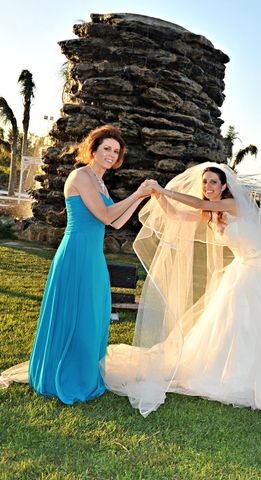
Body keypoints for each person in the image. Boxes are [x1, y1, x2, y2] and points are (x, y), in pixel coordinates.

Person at [103, 164, 261, 417]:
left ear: (224, 186)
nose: (208, 187)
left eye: (213, 182)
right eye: (205, 183)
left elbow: (200, 205)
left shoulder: (232, 204)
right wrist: (158, 196)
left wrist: (163, 189)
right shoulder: (212, 213)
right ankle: (234, 372)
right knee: (232, 322)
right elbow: (176, 215)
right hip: (243, 268)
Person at [0, 125, 152, 403]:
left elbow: (116, 221)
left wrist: (141, 197)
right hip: (75, 254)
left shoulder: (101, 182)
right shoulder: (80, 176)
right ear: (93, 149)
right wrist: (137, 193)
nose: (110, 154)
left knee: (92, 314)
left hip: (93, 256)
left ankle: (83, 371)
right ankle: (63, 375)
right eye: (106, 148)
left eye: (115, 151)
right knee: (74, 313)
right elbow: (106, 215)